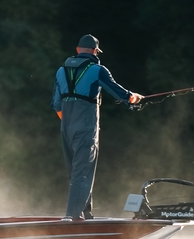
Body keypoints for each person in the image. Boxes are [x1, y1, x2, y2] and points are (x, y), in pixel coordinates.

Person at [51, 34, 143, 220]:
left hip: (66, 128)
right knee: (83, 172)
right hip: (85, 128)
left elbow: (56, 104)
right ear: (95, 51)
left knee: (75, 172)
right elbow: (118, 91)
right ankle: (72, 217)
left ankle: (86, 213)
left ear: (77, 50)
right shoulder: (97, 70)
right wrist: (133, 97)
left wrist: (69, 121)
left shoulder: (61, 71)